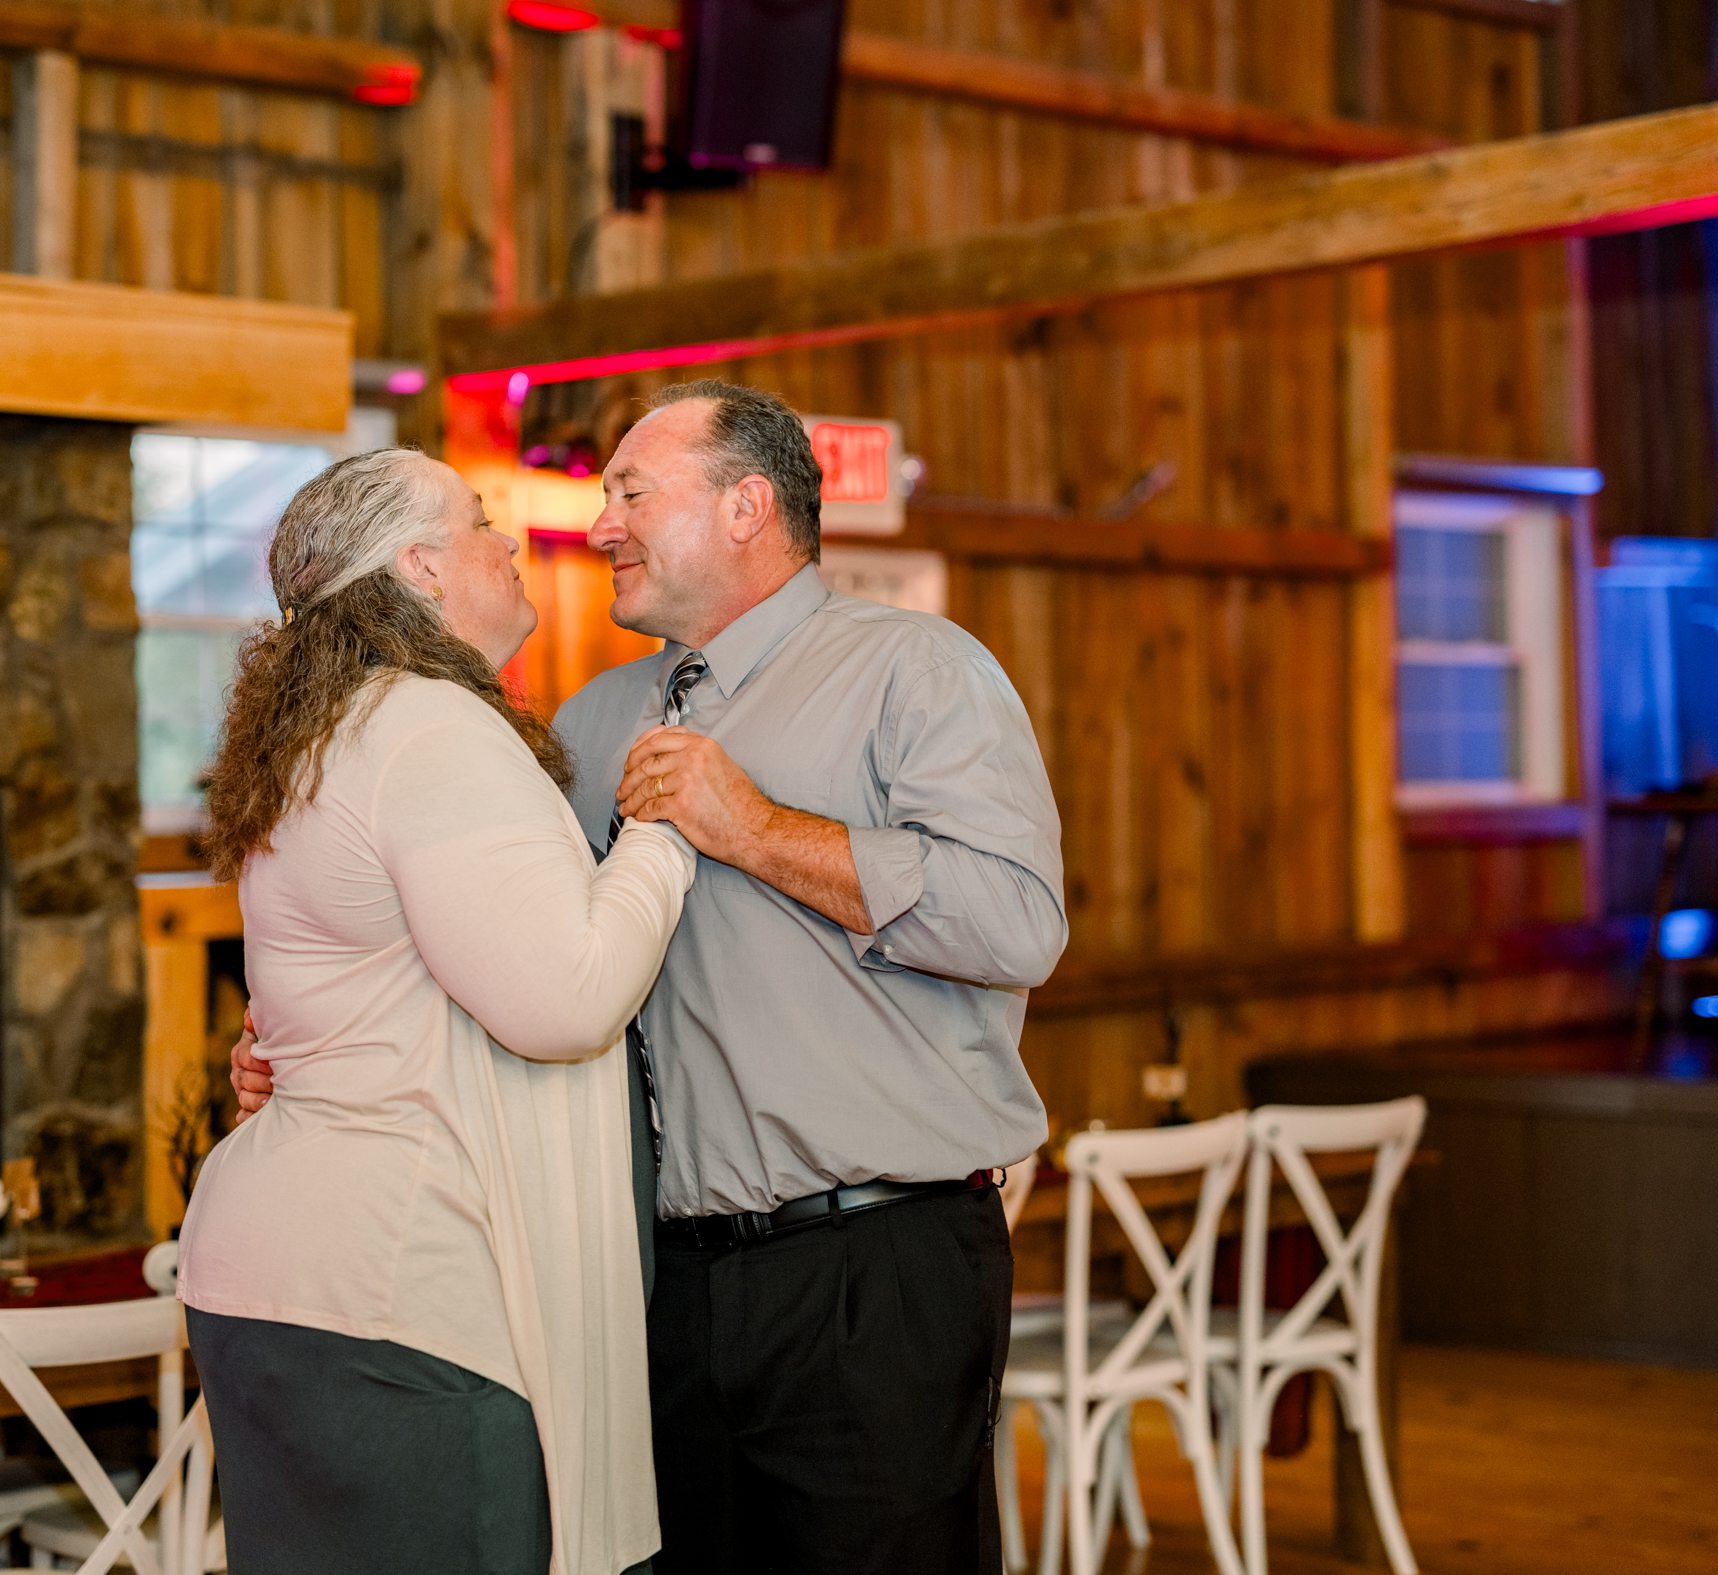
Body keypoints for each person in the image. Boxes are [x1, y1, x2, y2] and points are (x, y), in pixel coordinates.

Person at [236, 380, 1067, 1574]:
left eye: (629, 492)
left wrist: (762, 830)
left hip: (871, 1271)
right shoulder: (590, 719)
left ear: (746, 505)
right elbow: (518, 958)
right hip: (657, 1282)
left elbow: (1018, 924)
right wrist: (311, 1048)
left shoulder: (918, 672)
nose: (600, 525)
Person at [177, 446, 695, 1575]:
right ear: (417, 568)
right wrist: (662, 835)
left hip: (270, 1281)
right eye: (476, 522)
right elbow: (564, 1000)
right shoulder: (429, 729)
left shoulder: (323, 737)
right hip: (404, 1300)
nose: (506, 543)